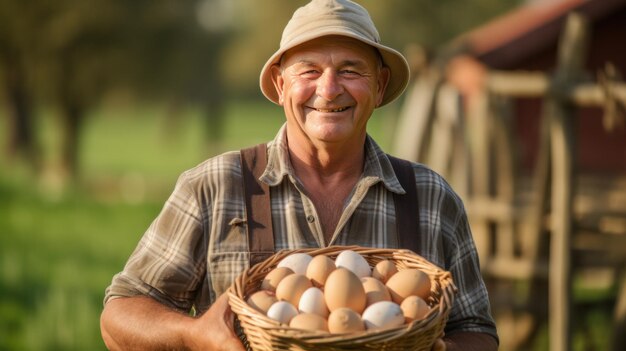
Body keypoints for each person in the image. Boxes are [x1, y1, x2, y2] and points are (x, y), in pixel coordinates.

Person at [100, 0, 498, 350]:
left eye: (350, 70)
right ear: (280, 84)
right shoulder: (214, 186)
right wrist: (195, 335)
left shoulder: (430, 197)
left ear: (379, 86)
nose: (328, 89)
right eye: (309, 70)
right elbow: (120, 315)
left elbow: (476, 329)